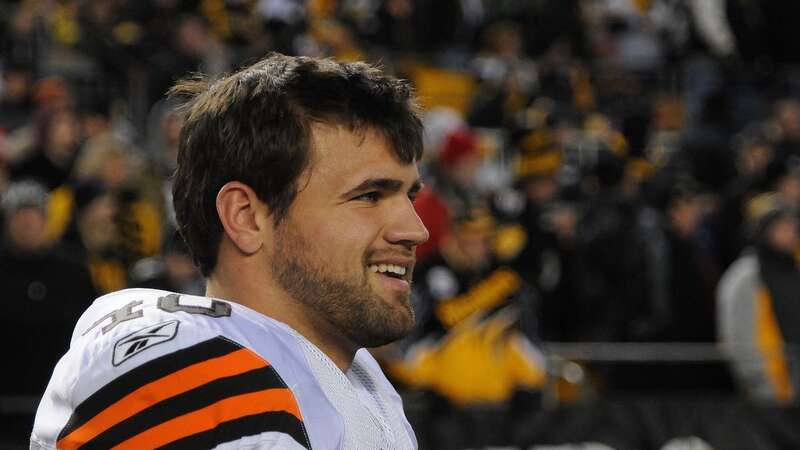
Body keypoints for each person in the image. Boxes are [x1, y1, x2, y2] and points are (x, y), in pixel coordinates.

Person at [31, 53, 428, 449]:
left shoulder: (358, 379)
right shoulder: (193, 371)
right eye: (370, 195)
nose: (416, 230)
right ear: (246, 217)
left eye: (409, 196)